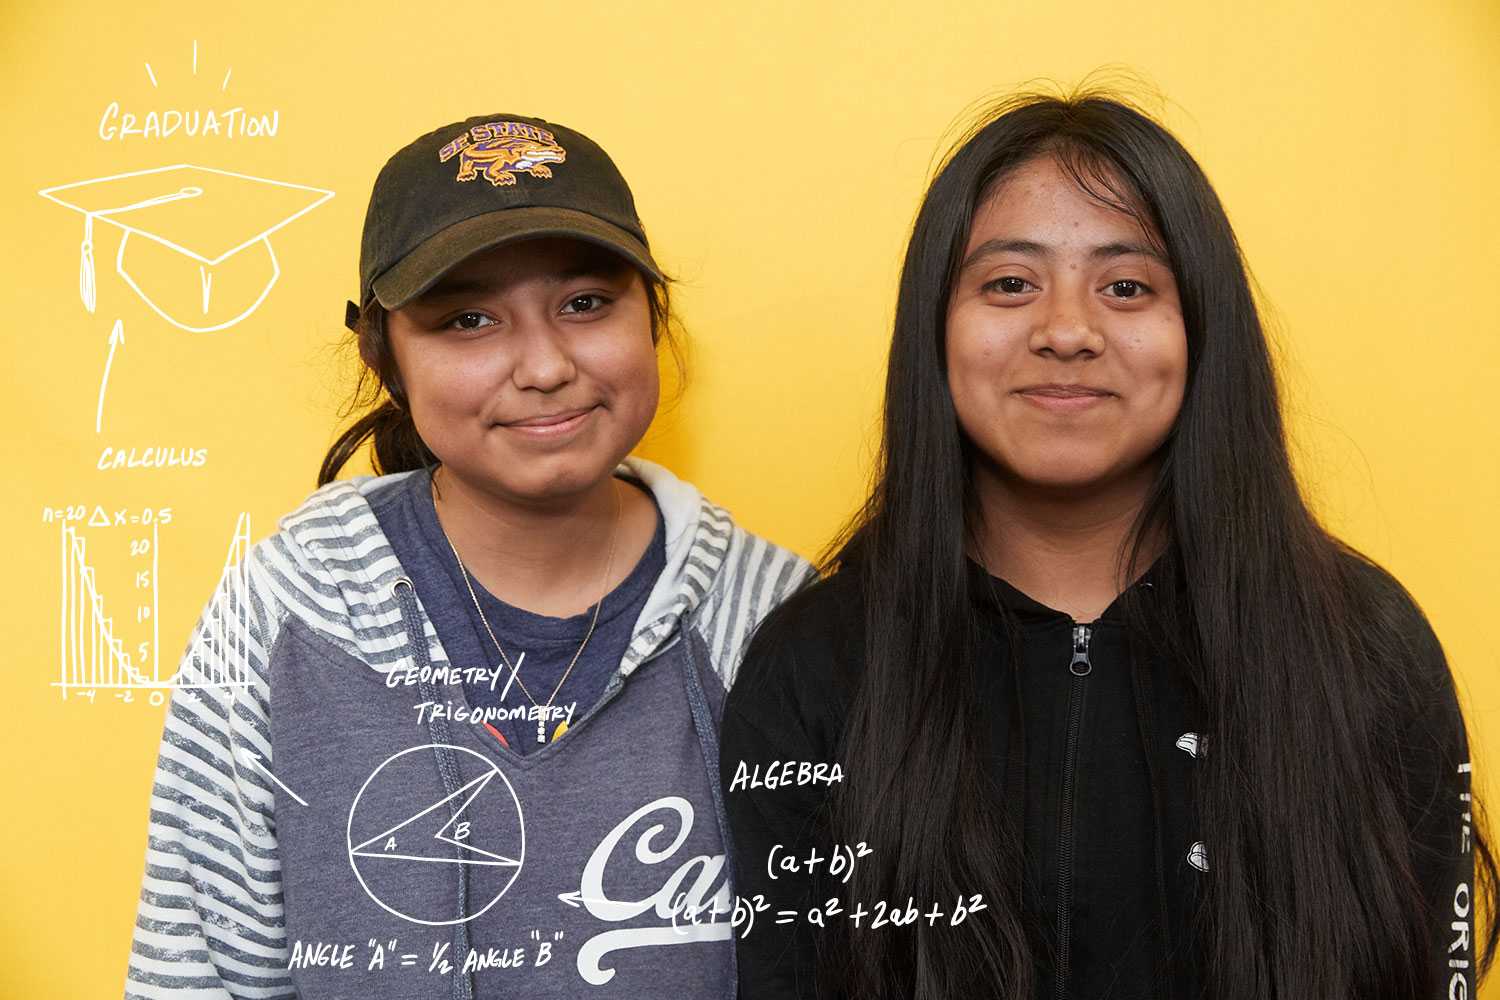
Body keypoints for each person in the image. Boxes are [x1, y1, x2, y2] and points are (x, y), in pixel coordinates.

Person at [720, 90, 1497, 1000]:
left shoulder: (1365, 644)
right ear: (935, 329)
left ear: (1202, 329)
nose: (1067, 332)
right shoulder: (814, 665)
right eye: (1010, 283)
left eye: (1126, 286)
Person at [125, 112, 816, 999]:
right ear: (385, 358)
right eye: (468, 319)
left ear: (654, 319)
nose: (543, 365)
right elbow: (198, 974)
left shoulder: (777, 620)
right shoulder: (286, 611)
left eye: (585, 303)